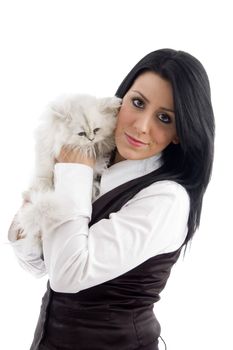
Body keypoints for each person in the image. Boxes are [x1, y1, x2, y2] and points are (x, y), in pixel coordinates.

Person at [8, 48, 215, 350]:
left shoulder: (167, 199)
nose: (141, 126)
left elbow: (66, 275)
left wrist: (73, 170)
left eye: (164, 117)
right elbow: (40, 266)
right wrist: (29, 222)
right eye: (137, 102)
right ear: (120, 100)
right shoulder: (96, 163)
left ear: (179, 134)